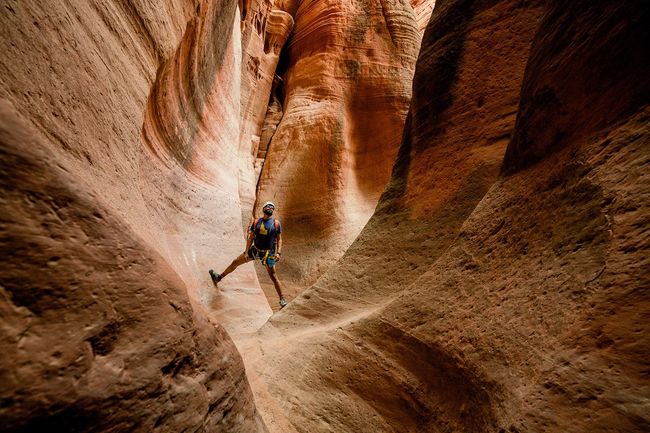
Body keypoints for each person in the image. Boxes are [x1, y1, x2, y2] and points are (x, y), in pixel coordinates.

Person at [209, 201, 288, 309]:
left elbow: (279, 239)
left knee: (273, 276)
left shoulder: (276, 224)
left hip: (267, 254)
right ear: (264, 208)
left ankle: (282, 299)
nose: (270, 208)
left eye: (272, 207)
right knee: (235, 262)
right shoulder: (256, 222)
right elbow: (251, 237)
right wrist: (246, 252)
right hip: (254, 250)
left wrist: (278, 253)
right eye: (268, 206)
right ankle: (219, 277)